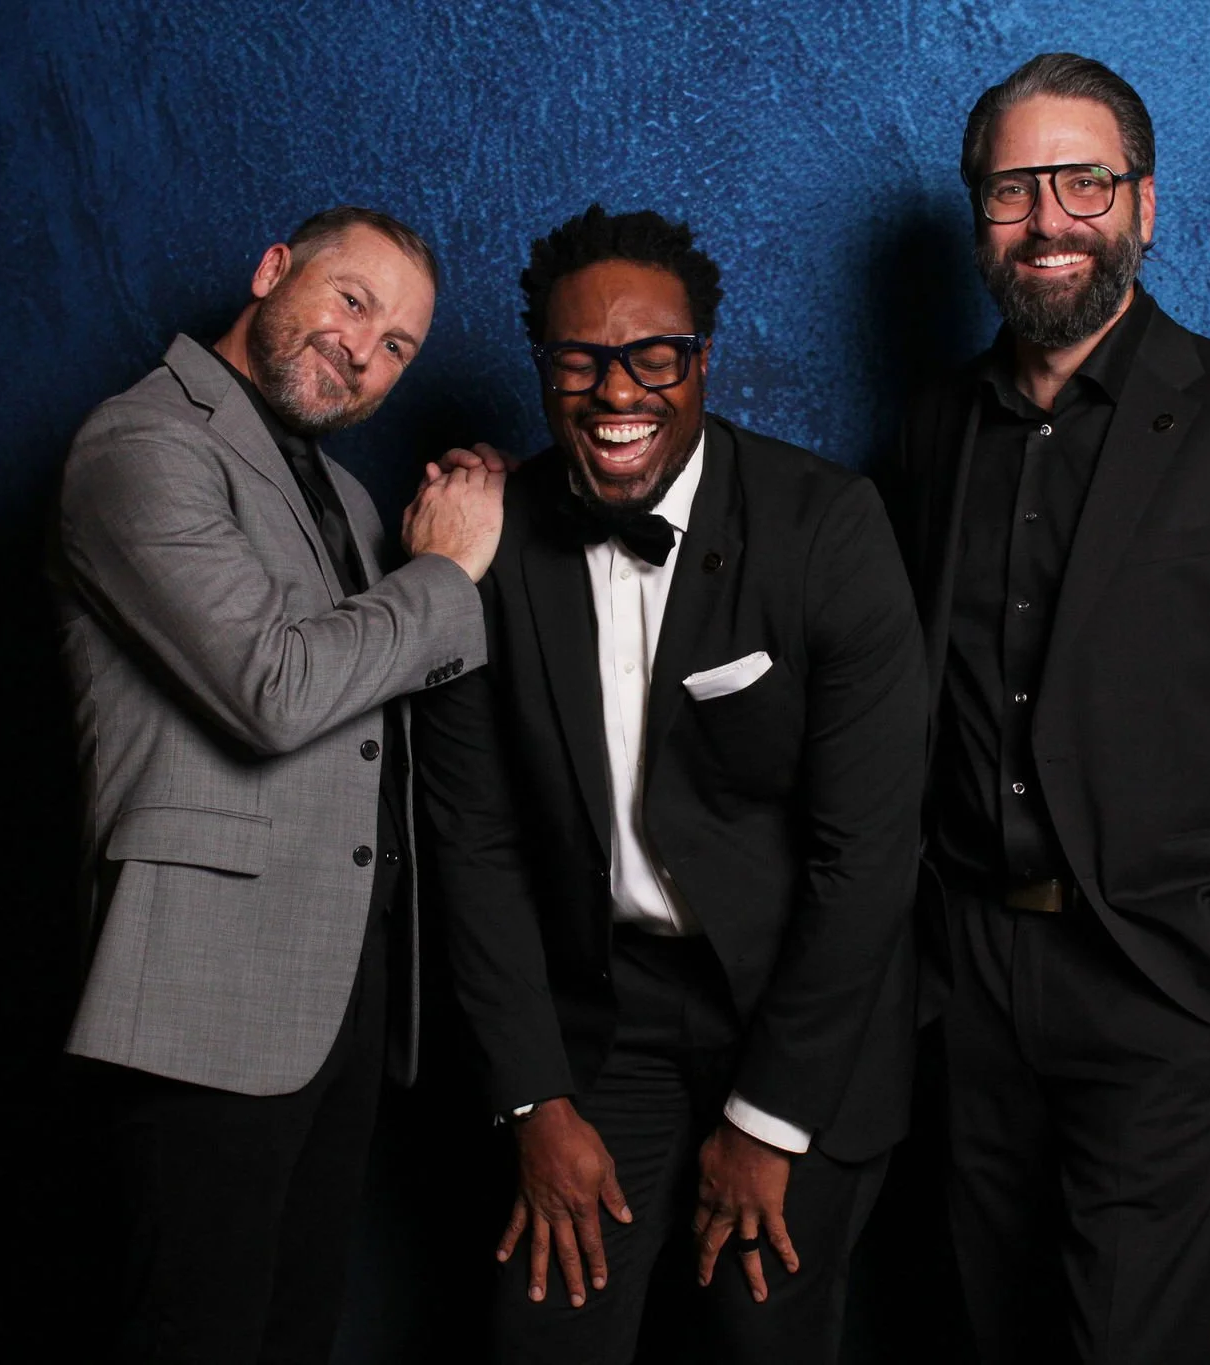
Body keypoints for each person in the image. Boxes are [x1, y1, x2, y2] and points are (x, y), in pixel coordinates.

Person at [889, 54, 1210, 1363]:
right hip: (968, 984)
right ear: (978, 212)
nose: (1049, 217)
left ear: (1143, 205)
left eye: (1083, 181)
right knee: (981, 1336)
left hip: (1166, 986)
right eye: (1013, 187)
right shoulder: (933, 424)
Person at [413, 205, 925, 1364]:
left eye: (654, 357)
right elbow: (473, 844)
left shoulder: (826, 527)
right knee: (540, 1337)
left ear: (702, 360)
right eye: (578, 361)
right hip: (600, 1023)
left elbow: (867, 858)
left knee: (757, 1340)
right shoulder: (488, 545)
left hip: (799, 1018)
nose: (616, 393)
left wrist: (767, 1120)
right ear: (541, 367)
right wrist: (533, 1100)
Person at [50, 205, 506, 1363]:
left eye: (399, 344)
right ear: (269, 271)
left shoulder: (347, 501)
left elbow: (374, 715)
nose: (364, 350)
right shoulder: (141, 443)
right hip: (203, 996)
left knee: (294, 1332)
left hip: (339, 987)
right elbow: (272, 689)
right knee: (192, 1336)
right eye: (352, 302)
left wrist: (421, 554)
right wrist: (447, 573)